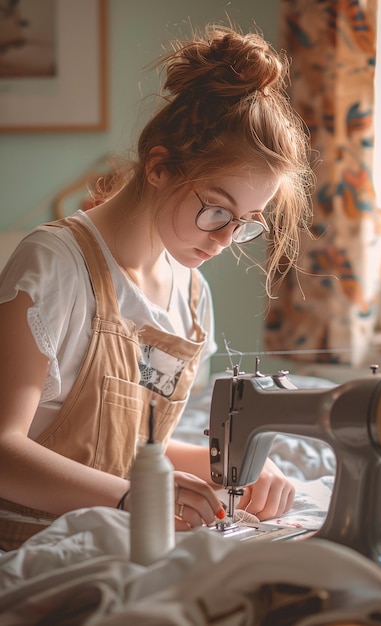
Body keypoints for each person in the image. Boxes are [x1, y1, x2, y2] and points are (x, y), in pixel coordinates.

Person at [0, 24, 314, 551]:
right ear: (161, 167)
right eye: (216, 209)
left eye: (247, 222)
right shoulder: (53, 266)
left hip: (122, 541)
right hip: (30, 547)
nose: (225, 239)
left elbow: (130, 449)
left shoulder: (190, 298)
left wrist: (233, 471)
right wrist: (131, 498)